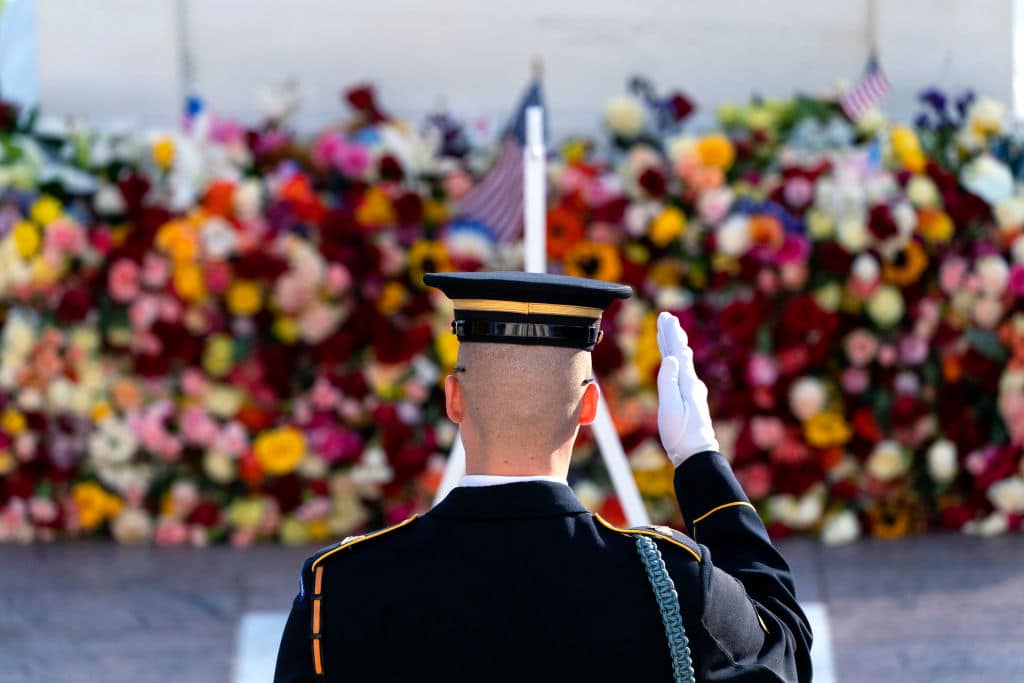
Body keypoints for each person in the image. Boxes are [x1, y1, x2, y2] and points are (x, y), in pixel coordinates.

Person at [274, 271, 812, 682]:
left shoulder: (339, 587)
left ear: (454, 399)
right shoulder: (670, 580)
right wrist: (700, 459)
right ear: (589, 407)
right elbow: (785, 655)